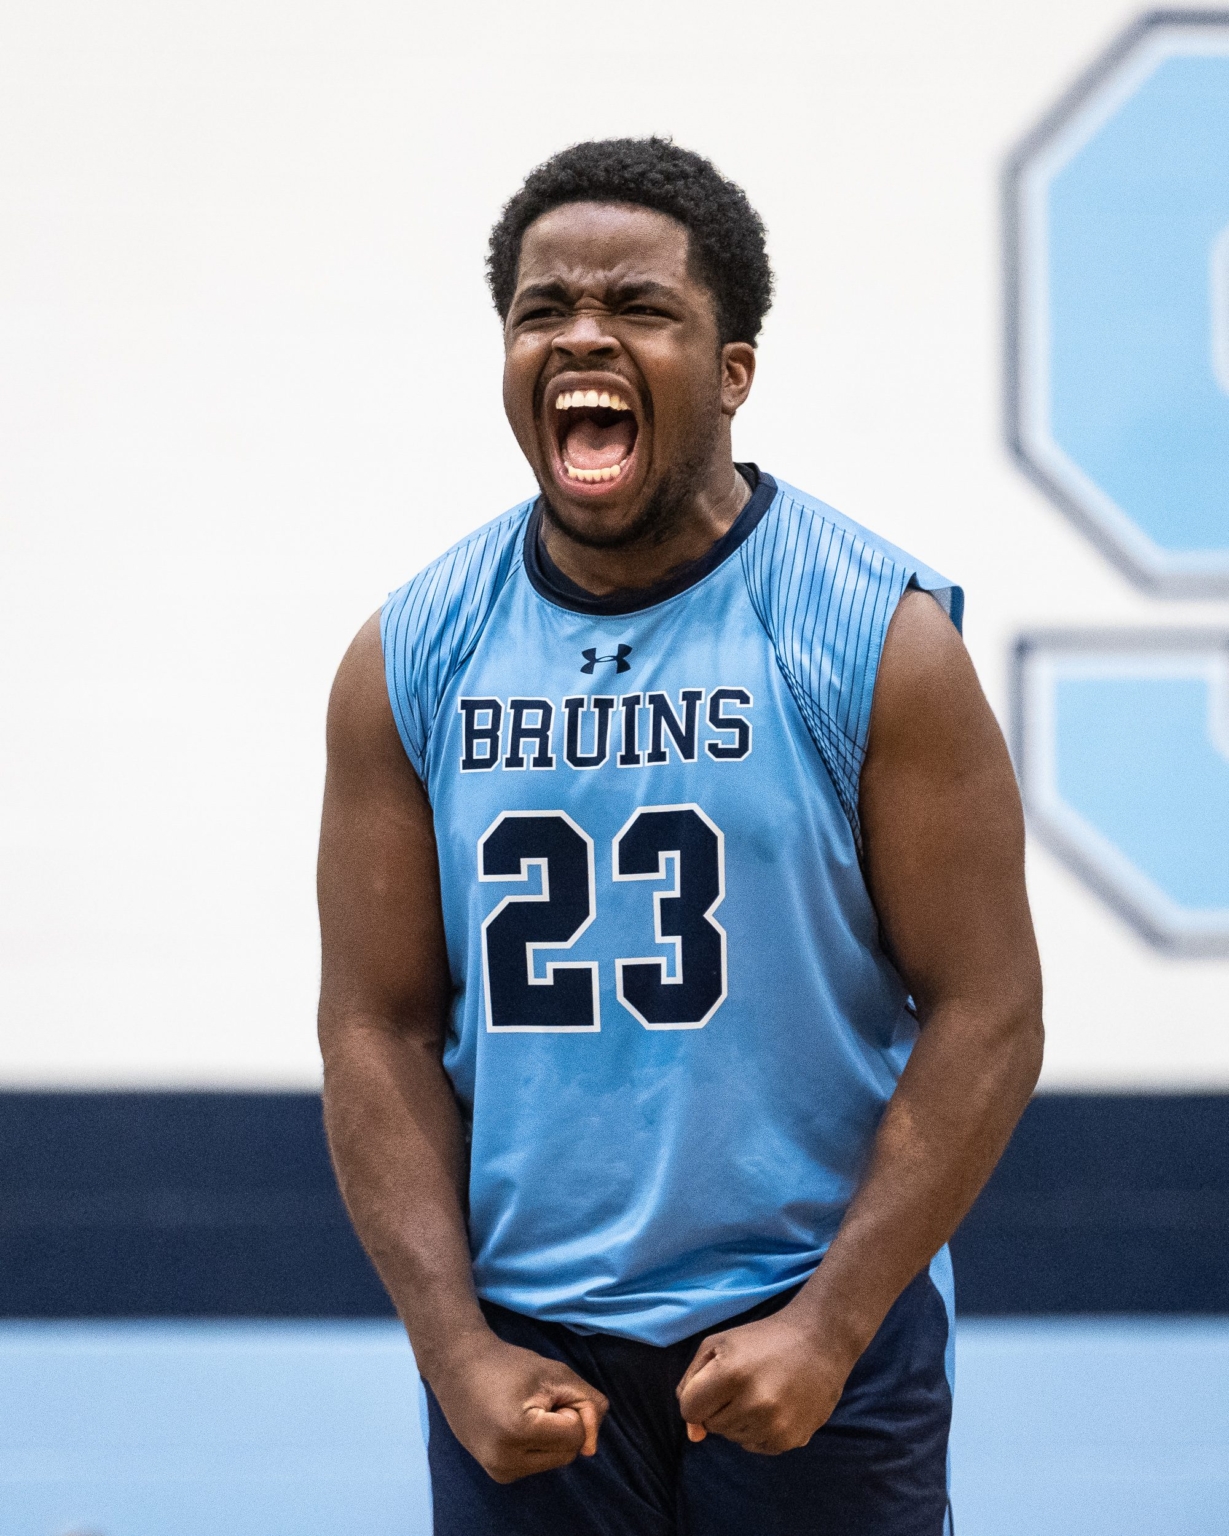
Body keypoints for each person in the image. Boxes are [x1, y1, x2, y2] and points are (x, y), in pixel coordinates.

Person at [316, 137, 1043, 1535]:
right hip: (531, 1353)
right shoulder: (411, 653)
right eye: (543, 310)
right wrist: (451, 1348)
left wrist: (830, 1325)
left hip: (804, 1324)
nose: (582, 332)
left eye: (638, 307)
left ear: (729, 371)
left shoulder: (870, 636)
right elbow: (374, 1027)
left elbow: (988, 1011)